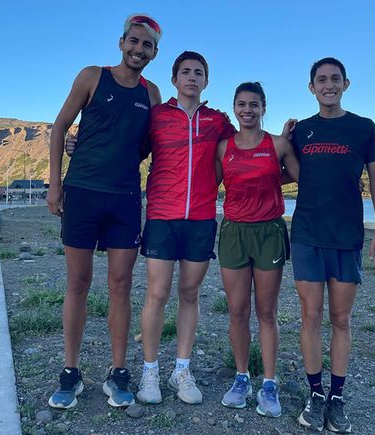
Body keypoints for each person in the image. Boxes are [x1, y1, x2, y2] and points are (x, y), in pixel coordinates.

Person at [45, 13, 163, 410]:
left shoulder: (152, 94)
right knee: (77, 283)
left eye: (147, 45)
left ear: (154, 53)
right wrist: (55, 184)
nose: (138, 49)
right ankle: (71, 372)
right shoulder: (92, 77)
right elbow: (60, 126)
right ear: (121, 42)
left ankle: (117, 373)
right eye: (134, 41)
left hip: (126, 199)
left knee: (121, 286)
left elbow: (148, 146)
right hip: (82, 193)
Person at [285, 57, 375, 433]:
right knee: (310, 316)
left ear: (346, 84)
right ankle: (315, 394)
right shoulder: (301, 131)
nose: (328, 85)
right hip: (308, 234)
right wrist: (281, 139)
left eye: (335, 79)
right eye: (321, 80)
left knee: (341, 319)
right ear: (311, 87)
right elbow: (281, 170)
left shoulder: (363, 127)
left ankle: (337, 397)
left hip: (347, 236)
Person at [135, 51, 237, 405]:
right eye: (185, 72)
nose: (192, 77)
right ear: (174, 79)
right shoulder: (157, 117)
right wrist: (77, 145)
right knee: (157, 293)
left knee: (189, 294)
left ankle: (181, 369)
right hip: (162, 216)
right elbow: (127, 149)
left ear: (206, 81)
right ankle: (150, 372)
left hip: (201, 218)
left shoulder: (217, 121)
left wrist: (287, 141)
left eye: (199, 72)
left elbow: (243, 149)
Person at [215, 82, 299, 417]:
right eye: (241, 104)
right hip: (234, 231)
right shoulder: (223, 148)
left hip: (269, 232)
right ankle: (241, 378)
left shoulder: (278, 145)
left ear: (263, 107)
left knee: (266, 312)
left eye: (254, 104)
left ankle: (269, 382)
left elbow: (300, 178)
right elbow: (215, 183)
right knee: (237, 311)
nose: (247, 110)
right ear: (234, 108)